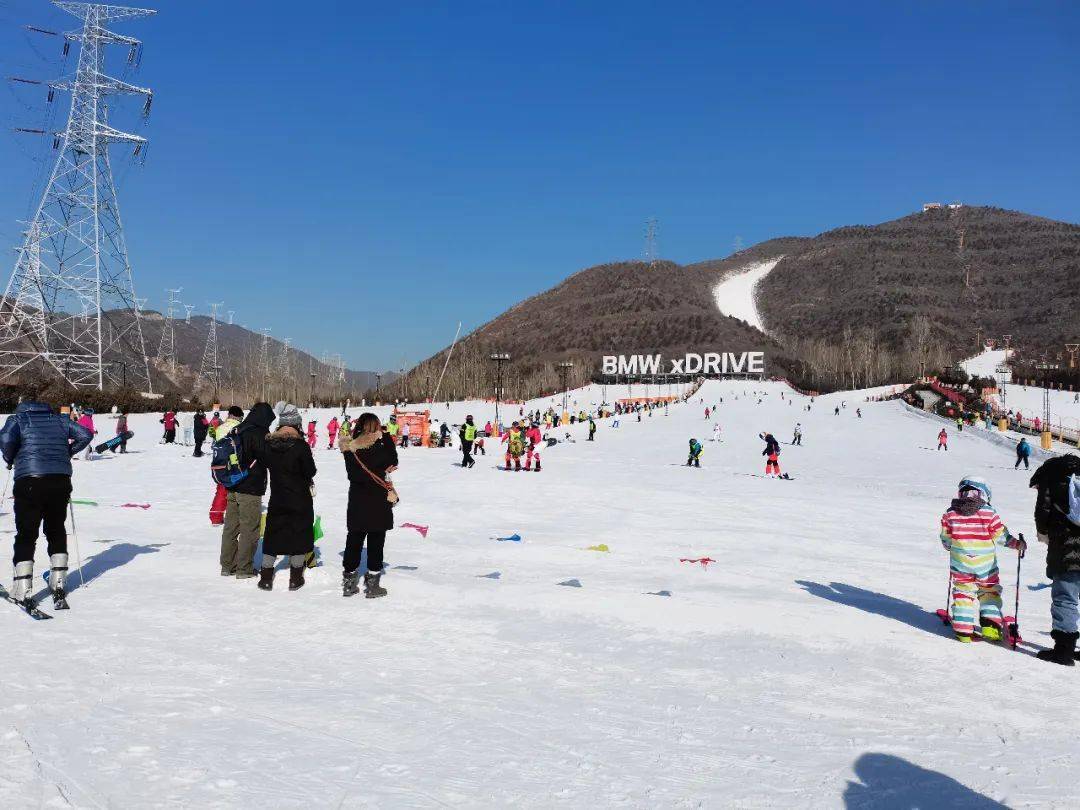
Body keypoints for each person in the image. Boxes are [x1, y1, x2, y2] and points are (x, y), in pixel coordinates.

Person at [0, 398, 93, 608]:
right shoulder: (60, 420)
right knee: (56, 529)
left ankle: (22, 588)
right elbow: (85, 435)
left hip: (29, 480)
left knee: (26, 533)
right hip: (60, 480)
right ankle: (58, 580)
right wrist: (67, 452)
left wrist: (10, 457)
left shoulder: (18, 419)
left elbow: (5, 439)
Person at [939, 476, 1026, 643]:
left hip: (961, 563)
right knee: (989, 592)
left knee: (963, 592)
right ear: (984, 493)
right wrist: (1016, 544)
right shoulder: (988, 512)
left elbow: (946, 538)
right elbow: (1000, 535)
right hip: (985, 565)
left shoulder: (950, 512)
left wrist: (950, 545)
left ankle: (963, 631)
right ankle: (991, 628)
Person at [257, 404, 317, 592]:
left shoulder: (269, 445)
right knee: (299, 534)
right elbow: (311, 470)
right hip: (299, 498)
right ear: (296, 425)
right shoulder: (301, 446)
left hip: (278, 496)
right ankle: (295, 577)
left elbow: (264, 463)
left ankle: (266, 577)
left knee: (273, 533)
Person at [340, 412, 398, 599]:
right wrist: (387, 436)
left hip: (357, 499)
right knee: (376, 541)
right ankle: (372, 586)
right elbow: (393, 461)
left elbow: (352, 475)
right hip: (378, 500)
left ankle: (348, 583)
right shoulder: (381, 448)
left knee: (354, 540)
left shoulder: (350, 448)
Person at [1029, 454, 1080, 664]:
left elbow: (1042, 511)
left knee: (1065, 597)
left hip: (1065, 544)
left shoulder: (1050, 475)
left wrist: (1044, 533)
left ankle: (1064, 650)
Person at [219, 403, 275, 578]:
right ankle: (245, 568)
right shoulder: (258, 433)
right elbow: (268, 459)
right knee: (249, 528)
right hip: (250, 487)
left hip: (232, 485)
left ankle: (227, 565)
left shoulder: (238, 429)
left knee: (231, 527)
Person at [209, 407, 243, 526]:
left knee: (221, 491)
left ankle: (216, 516)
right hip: (233, 463)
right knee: (236, 491)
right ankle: (235, 516)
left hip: (219, 462)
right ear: (239, 416)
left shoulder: (221, 427)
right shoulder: (239, 428)